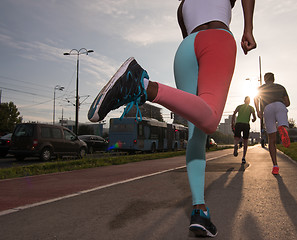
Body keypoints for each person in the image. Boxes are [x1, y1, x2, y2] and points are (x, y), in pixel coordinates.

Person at [88, 0, 256, 237]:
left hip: (185, 50)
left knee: (196, 132)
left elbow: (189, 34)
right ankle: (143, 86)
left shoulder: (182, 6)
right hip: (217, 39)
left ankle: (200, 210)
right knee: (208, 121)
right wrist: (248, 28)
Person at [254, 72, 290, 175]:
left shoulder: (260, 88)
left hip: (268, 108)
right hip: (280, 106)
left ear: (265, 80)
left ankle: (275, 166)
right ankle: (282, 128)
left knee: (271, 140)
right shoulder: (281, 87)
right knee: (282, 125)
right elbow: (287, 103)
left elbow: (255, 99)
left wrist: (258, 111)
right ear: (274, 79)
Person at [231, 96, 256, 163]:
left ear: (244, 101)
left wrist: (232, 123)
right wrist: (253, 120)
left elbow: (234, 114)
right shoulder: (251, 108)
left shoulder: (239, 106)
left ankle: (236, 145)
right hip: (246, 125)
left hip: (238, 123)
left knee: (236, 138)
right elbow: (254, 118)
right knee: (245, 141)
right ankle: (243, 157)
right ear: (249, 101)